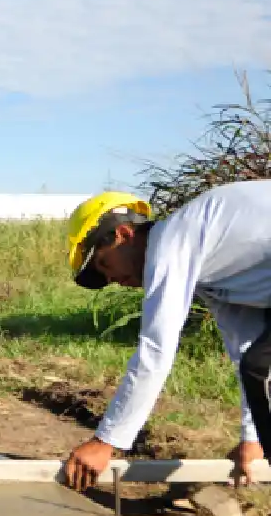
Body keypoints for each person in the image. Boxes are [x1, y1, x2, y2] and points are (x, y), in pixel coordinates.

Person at [61, 184, 271, 492]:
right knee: (256, 364)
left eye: (104, 264)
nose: (112, 280)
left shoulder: (171, 244)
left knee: (258, 366)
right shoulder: (210, 258)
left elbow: (155, 352)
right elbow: (245, 345)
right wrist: (253, 438)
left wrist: (105, 441)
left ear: (123, 234)